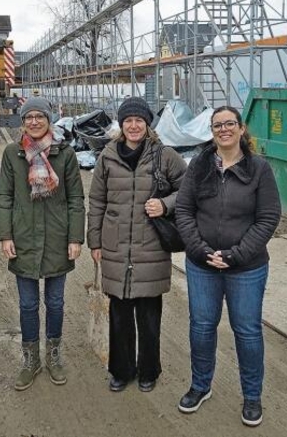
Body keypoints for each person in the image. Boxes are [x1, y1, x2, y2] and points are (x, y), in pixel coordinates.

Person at [174, 106, 281, 426]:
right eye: (217, 125)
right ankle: (200, 385)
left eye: (229, 124)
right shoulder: (199, 166)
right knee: (202, 327)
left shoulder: (259, 169)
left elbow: (267, 218)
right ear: (212, 131)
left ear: (241, 128)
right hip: (202, 264)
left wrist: (236, 254)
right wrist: (199, 248)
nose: (223, 130)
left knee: (247, 331)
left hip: (246, 268)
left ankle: (252, 396)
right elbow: (183, 209)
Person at [87, 97, 186, 393]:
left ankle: (148, 371)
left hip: (150, 245)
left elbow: (190, 189)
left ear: (147, 124)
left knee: (148, 315)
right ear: (121, 124)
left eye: (139, 121)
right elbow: (97, 201)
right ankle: (121, 370)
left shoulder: (164, 156)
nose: (133, 126)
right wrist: (95, 240)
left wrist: (166, 204)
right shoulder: (107, 156)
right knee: (119, 313)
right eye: (128, 120)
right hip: (116, 245)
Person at [0, 96, 85, 391]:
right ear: (22, 123)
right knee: (28, 304)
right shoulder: (13, 154)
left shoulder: (65, 154)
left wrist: (75, 237)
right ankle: (30, 359)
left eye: (40, 116)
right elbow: (4, 197)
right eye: (28, 117)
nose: (34, 121)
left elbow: (75, 199)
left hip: (58, 238)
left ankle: (54, 356)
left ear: (49, 120)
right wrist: (5, 235)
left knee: (56, 302)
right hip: (23, 238)